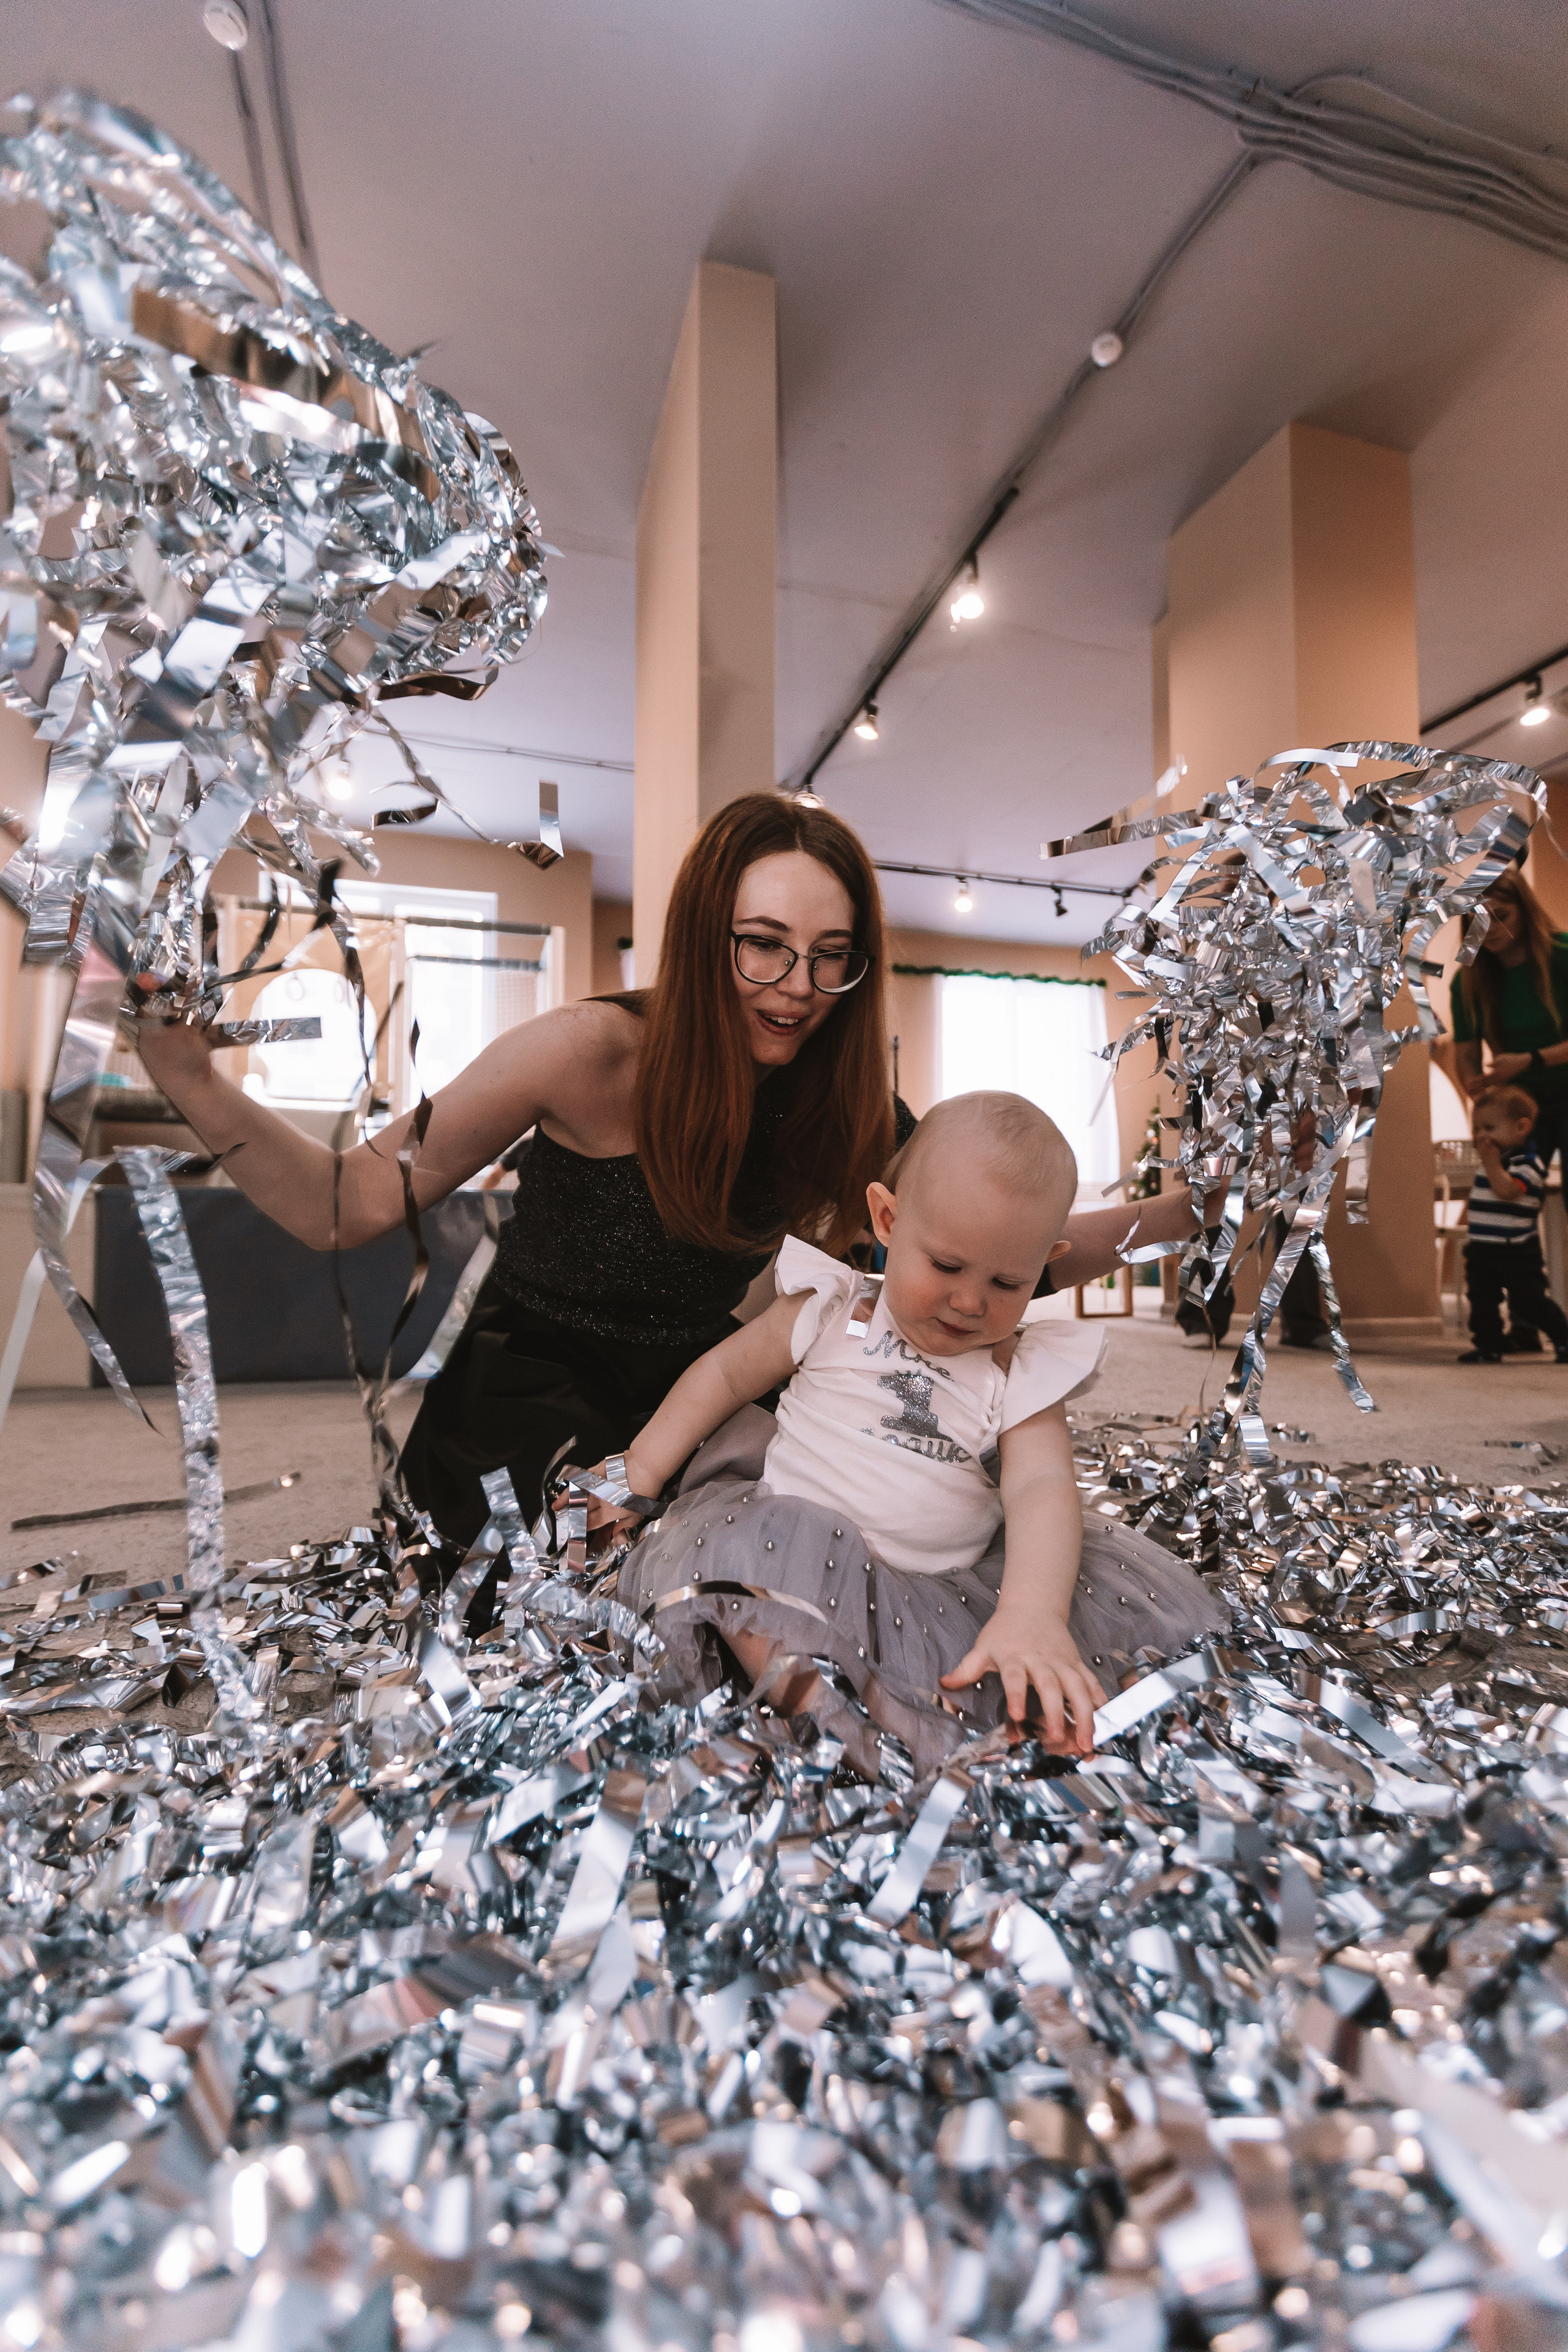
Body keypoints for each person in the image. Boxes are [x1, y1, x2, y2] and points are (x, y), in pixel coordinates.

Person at [137, 795, 1214, 1550]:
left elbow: (995, 1250)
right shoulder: (580, 1051)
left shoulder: (846, 1104)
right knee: (559, 1620)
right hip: (528, 1397)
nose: (799, 986)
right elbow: (347, 1204)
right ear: (706, 935)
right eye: (764, 944)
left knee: (812, 1574)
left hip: (699, 1397)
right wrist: (190, 1074)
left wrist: (1200, 1210)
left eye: (832, 954)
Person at [603, 1093, 1227, 1777]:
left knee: (1003, 1674)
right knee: (742, 1590)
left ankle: (907, 1723)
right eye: (947, 1267)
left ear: (1045, 1262)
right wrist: (638, 1470)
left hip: (933, 1591)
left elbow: (1043, 1488)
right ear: (889, 1220)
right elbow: (723, 1377)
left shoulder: (1013, 1365)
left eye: (1006, 1281)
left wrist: (1031, 1613)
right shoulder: (832, 1306)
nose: (969, 1302)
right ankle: (857, 1727)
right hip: (792, 1553)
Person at [1451, 865, 1568, 1353]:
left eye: (1501, 917)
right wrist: (1477, 1092)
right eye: (1479, 921)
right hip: (1522, 1102)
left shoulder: (1561, 957)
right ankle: (1524, 1323)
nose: (1492, 931)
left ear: (1523, 909)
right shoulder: (1469, 980)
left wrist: (1531, 1059)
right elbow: (1464, 1054)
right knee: (1514, 1201)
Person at [1457, 1084, 1568, 1367]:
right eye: (1477, 1128)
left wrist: (1492, 1163)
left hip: (1517, 1250)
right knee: (1482, 1301)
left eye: (1490, 1127)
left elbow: (1508, 1192)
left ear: (1521, 1127)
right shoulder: (1495, 1162)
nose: (1481, 1135)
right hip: (1483, 1249)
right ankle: (1488, 1346)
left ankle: (1563, 1339)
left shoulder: (1528, 1164)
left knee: (1529, 1301)